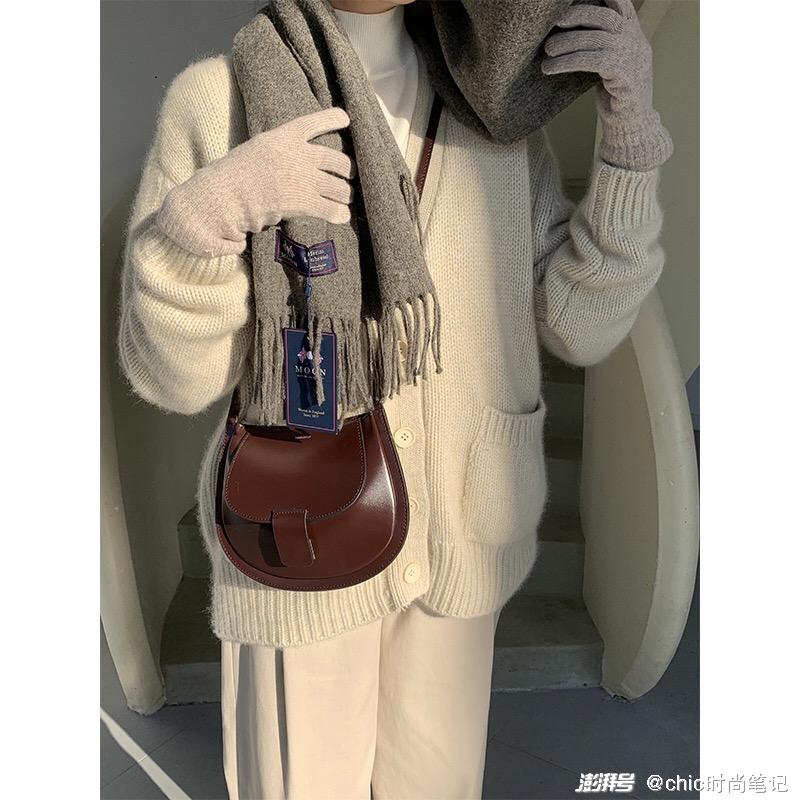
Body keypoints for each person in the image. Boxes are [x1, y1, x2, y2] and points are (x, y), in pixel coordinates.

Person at [117, 0, 672, 797]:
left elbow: (579, 325)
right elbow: (176, 378)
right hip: (299, 537)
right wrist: (204, 219)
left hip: (461, 530)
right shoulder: (218, 99)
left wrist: (629, 141)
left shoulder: (494, 115)